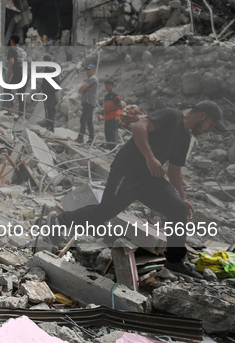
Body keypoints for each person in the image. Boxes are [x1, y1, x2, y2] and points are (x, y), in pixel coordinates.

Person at [49, 101, 227, 279]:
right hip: (128, 172)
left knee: (178, 208)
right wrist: (150, 158)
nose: (208, 130)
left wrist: (183, 197)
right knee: (106, 211)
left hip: (151, 179)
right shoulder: (171, 115)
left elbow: (175, 169)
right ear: (202, 115)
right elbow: (138, 127)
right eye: (210, 125)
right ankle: (59, 221)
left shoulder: (185, 138)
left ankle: (174, 262)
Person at [5, 34, 27, 118]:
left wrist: (8, 76)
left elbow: (12, 62)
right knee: (21, 94)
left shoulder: (11, 49)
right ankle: (20, 116)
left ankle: (12, 107)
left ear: (11, 41)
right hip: (26, 72)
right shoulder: (23, 51)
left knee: (6, 89)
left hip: (18, 72)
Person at [76, 64, 99, 144]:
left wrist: (84, 89)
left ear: (93, 70)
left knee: (83, 119)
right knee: (89, 121)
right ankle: (91, 139)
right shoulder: (89, 79)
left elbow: (82, 89)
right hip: (88, 102)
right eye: (87, 70)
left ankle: (80, 138)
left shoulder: (92, 78)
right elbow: (81, 89)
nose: (87, 71)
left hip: (89, 102)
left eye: (89, 70)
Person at [101, 80, 124, 150]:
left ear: (112, 86)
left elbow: (120, 106)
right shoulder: (106, 96)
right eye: (106, 85)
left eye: (109, 85)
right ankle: (110, 150)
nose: (107, 87)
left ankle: (114, 151)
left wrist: (108, 110)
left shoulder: (115, 95)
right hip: (107, 118)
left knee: (113, 135)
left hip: (114, 118)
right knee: (108, 135)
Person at [41, 54, 61, 132]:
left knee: (49, 111)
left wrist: (44, 95)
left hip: (49, 94)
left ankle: (50, 128)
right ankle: (50, 127)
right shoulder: (54, 69)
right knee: (51, 111)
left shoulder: (48, 69)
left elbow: (46, 84)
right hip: (54, 93)